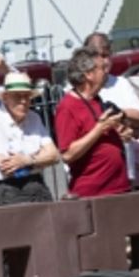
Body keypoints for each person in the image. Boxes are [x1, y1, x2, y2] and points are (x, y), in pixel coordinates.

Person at [54, 48, 130, 198]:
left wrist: (120, 134)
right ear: (89, 74)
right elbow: (68, 154)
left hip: (119, 188)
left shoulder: (96, 101)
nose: (106, 72)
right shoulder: (67, 107)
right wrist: (99, 128)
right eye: (101, 68)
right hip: (94, 194)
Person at [0, 72, 60, 205]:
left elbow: (55, 155)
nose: (23, 101)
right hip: (10, 189)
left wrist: (25, 160)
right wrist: (39, 158)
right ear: (5, 98)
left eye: (27, 96)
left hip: (38, 185)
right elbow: (6, 167)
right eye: (17, 96)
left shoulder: (34, 117)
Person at [83, 32, 139, 135]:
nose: (105, 61)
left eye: (107, 55)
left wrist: (119, 113)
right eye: (100, 56)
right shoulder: (76, 89)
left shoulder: (121, 83)